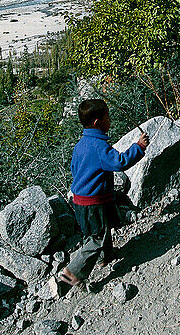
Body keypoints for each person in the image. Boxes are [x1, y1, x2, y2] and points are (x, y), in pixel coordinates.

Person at [58, 99, 149, 288]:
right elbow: (119, 162)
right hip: (94, 202)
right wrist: (138, 147)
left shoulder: (80, 145)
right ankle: (72, 273)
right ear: (97, 123)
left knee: (101, 228)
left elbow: (74, 169)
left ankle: (104, 257)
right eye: (107, 118)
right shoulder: (100, 147)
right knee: (97, 237)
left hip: (82, 201)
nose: (110, 121)